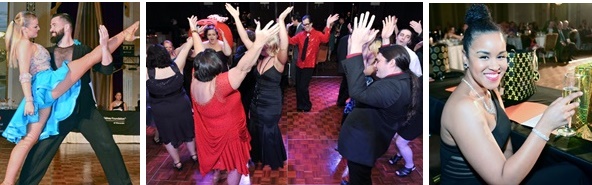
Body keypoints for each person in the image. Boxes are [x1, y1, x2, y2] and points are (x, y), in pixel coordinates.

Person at [440, 4, 588, 184]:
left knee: (572, 171)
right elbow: (504, 181)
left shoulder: (492, 91)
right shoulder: (462, 108)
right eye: (484, 57)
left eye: (501, 56)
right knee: (575, 175)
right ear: (465, 58)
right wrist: (545, 125)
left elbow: (507, 149)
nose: (495, 66)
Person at [1, 11, 138, 185]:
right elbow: (29, 75)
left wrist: (104, 47)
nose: (48, 29)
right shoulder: (45, 51)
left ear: (66, 27)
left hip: (85, 109)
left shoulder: (82, 49)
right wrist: (29, 99)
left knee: (107, 145)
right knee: (39, 150)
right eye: (40, 26)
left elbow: (106, 69)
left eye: (53, 25)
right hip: (58, 111)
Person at [187, 12, 279, 184]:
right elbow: (243, 67)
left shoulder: (195, 78)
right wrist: (259, 43)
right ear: (215, 68)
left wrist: (194, 32)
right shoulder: (219, 85)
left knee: (223, 162)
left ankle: (217, 174)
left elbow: (200, 54)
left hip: (212, 132)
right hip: (229, 135)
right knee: (235, 166)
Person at [337, 12, 421, 184]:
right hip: (369, 138)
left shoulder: (394, 87)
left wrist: (356, 48)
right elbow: (384, 68)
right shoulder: (399, 77)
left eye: (378, 61)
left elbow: (357, 92)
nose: (376, 65)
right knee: (358, 175)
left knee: (361, 178)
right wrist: (385, 39)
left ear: (391, 64)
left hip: (364, 143)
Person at [227, 4, 290, 170]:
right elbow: (246, 39)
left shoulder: (278, 59)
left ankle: (271, 160)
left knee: (269, 131)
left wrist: (281, 21)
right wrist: (236, 18)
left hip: (271, 104)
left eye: (265, 44)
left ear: (272, 44)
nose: (261, 47)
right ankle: (259, 156)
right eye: (261, 44)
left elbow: (285, 45)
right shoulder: (259, 56)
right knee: (255, 129)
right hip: (256, 103)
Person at [146, 37, 197, 171]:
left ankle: (177, 162)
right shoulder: (177, 65)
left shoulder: (147, 73)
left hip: (161, 109)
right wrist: (193, 32)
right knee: (188, 130)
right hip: (181, 104)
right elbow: (186, 48)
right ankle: (194, 155)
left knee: (167, 135)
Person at [289, 13, 339, 112]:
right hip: (299, 64)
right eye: (304, 25)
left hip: (309, 65)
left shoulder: (317, 34)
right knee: (298, 87)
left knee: (303, 87)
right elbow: (290, 41)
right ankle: (300, 106)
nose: (306, 26)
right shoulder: (300, 35)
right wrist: (283, 29)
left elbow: (325, 39)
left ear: (311, 24)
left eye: (307, 24)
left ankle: (307, 105)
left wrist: (328, 25)